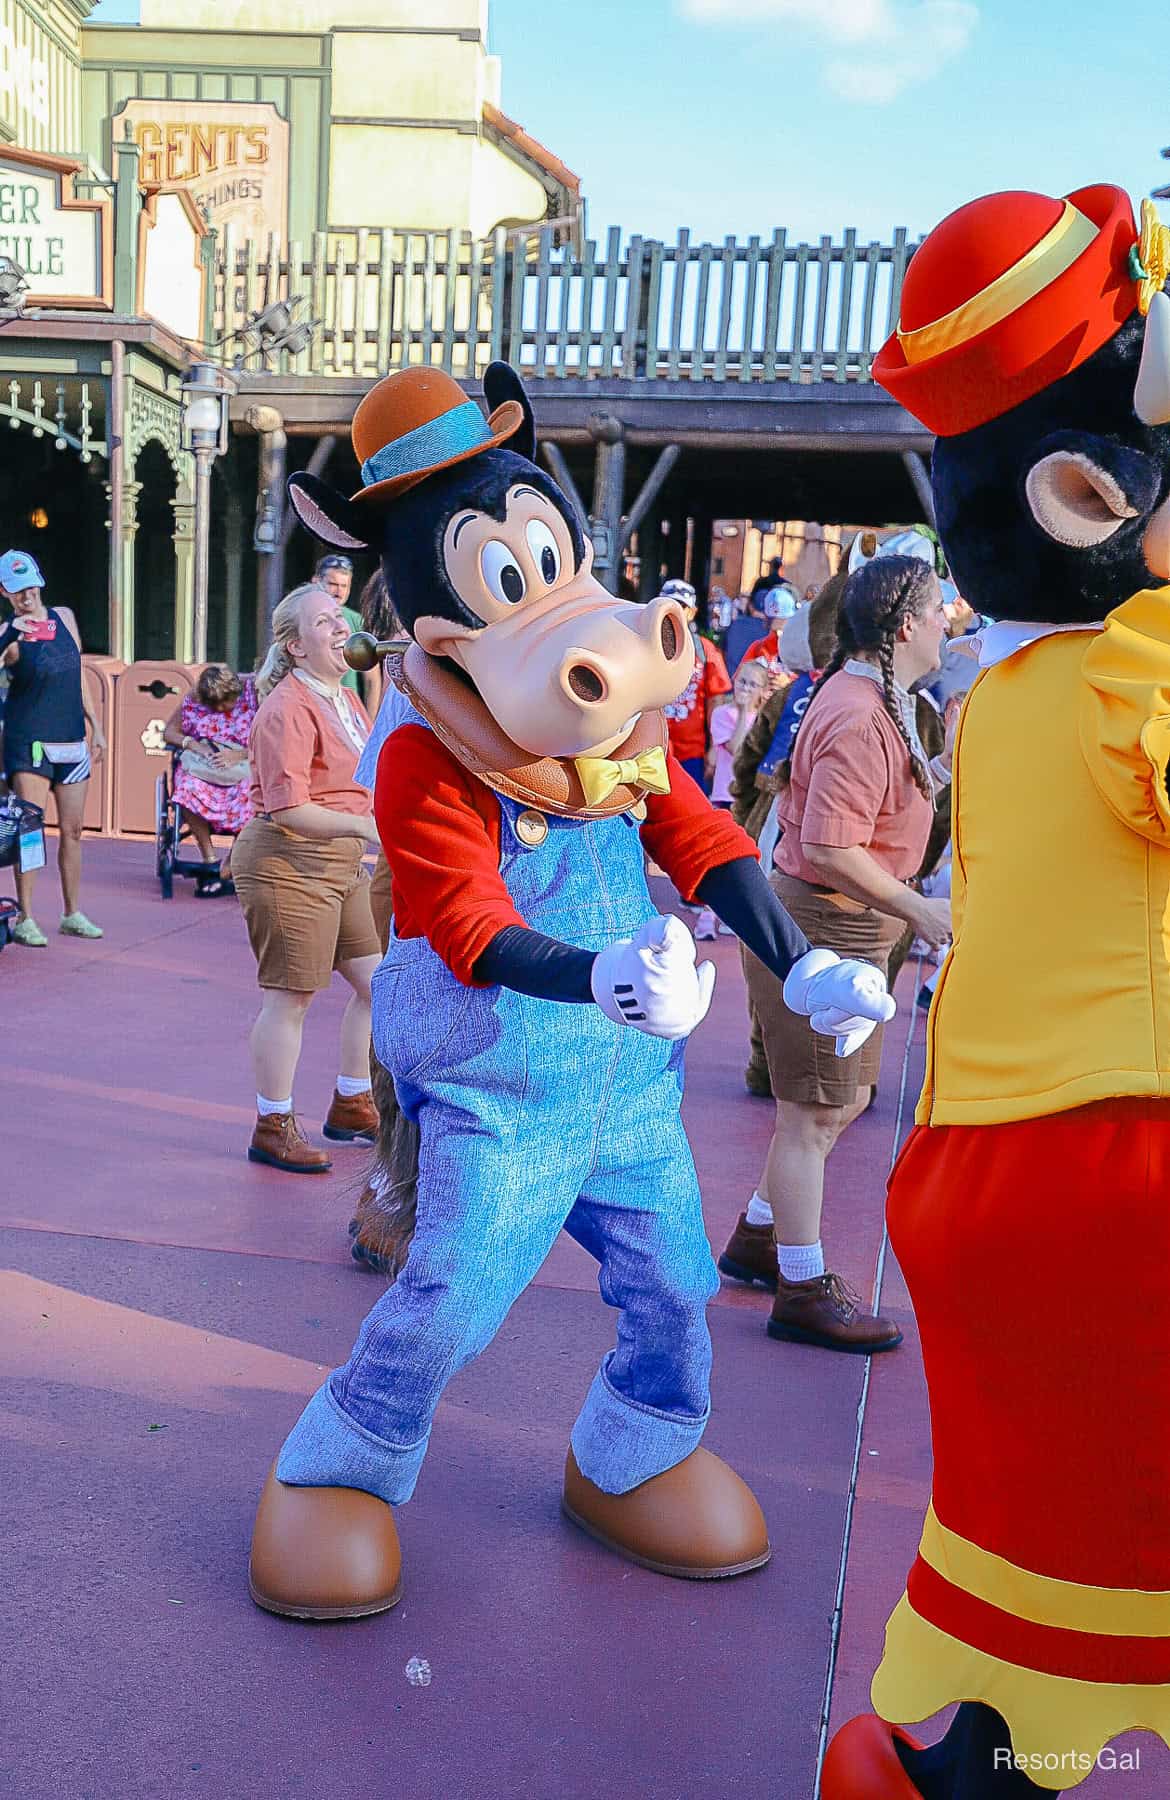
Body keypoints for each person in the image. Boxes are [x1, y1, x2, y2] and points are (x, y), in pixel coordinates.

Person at [719, 555, 952, 1352]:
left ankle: (759, 1234)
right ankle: (802, 1285)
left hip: (849, 924)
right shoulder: (859, 712)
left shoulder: (876, 699)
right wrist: (922, 909)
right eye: (940, 606)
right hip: (829, 924)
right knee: (814, 1114)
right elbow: (829, 843)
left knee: (836, 1103)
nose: (952, 619)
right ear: (906, 625)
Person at [231, 583, 382, 1173]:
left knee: (378, 985)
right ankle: (272, 1124)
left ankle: (351, 1100)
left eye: (341, 618)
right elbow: (288, 807)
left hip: (337, 863)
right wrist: (368, 829)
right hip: (287, 863)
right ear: (295, 646)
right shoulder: (287, 709)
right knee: (290, 998)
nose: (342, 628)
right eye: (325, 623)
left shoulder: (346, 699)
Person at [0, 549, 105, 945]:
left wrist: (95, 725)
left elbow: (77, 672)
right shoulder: (8, 633)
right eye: (15, 590)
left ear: (39, 580)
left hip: (71, 740)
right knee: (30, 828)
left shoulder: (64, 618)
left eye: (29, 585)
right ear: (5, 593)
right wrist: (13, 633)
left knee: (73, 830)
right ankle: (27, 916)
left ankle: (71, 912)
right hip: (30, 743)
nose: (25, 595)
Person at [162, 664, 257, 895]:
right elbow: (169, 732)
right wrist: (194, 745)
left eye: (227, 703)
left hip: (241, 763)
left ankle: (230, 866)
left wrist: (238, 755)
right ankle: (210, 860)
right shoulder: (195, 698)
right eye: (216, 706)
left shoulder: (253, 694)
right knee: (185, 788)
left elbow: (270, 739)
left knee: (255, 793)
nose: (223, 709)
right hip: (205, 763)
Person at [694, 658, 770, 939]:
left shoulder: (764, 720)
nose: (746, 688)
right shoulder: (722, 715)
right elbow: (736, 750)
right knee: (718, 859)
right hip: (725, 797)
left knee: (744, 862)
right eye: (742, 681)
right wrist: (740, 714)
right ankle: (706, 916)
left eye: (753, 684)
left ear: (763, 690)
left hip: (750, 800)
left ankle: (731, 916)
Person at [659, 578, 732, 791]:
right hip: (651, 750)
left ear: (692, 611)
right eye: (668, 604)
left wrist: (714, 748)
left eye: (681, 606)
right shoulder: (644, 644)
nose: (674, 611)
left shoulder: (705, 649)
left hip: (691, 754)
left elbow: (716, 700)